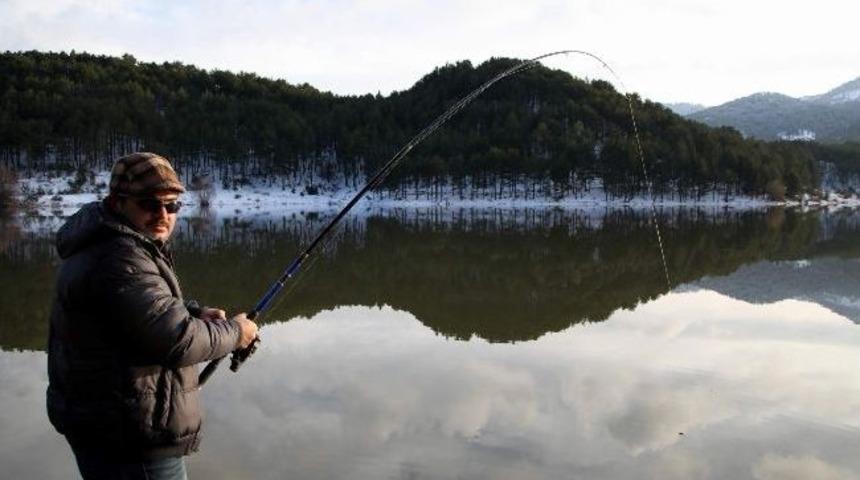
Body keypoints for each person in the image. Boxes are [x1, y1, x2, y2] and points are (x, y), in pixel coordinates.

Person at [46, 152, 258, 479]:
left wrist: (194, 313)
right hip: (130, 439)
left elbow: (131, 313)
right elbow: (177, 340)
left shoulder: (113, 244)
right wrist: (236, 332)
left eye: (172, 205)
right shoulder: (120, 258)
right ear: (118, 203)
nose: (163, 214)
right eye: (149, 204)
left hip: (107, 426)